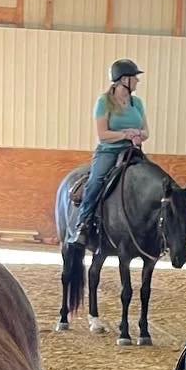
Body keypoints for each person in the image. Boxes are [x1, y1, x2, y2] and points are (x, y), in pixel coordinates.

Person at [67, 59, 149, 245]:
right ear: (123, 80)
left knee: (152, 179)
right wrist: (125, 135)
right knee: (96, 181)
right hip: (109, 151)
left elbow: (146, 132)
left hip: (132, 151)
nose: (137, 81)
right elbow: (103, 134)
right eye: (135, 77)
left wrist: (138, 135)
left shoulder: (137, 103)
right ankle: (83, 224)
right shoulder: (104, 102)